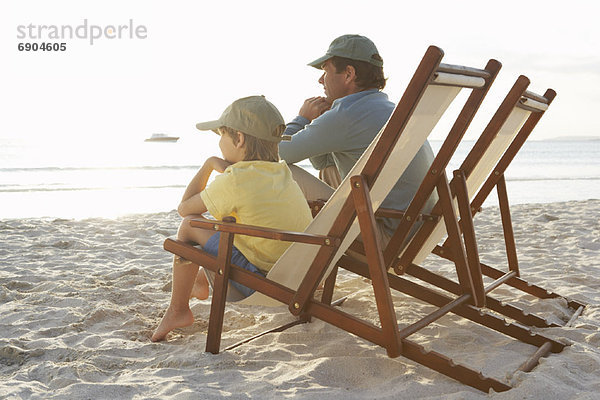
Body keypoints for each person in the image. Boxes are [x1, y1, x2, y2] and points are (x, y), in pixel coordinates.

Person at [152, 96, 313, 342]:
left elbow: (185, 208)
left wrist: (208, 166)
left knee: (190, 225)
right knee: (223, 227)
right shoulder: (282, 172)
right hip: (299, 275)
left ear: (238, 139)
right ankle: (197, 282)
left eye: (221, 134)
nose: (218, 142)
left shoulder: (237, 179)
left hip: (265, 281)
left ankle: (179, 310)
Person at [279, 34, 438, 245]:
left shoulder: (347, 114)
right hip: (418, 230)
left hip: (386, 238)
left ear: (348, 74)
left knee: (281, 172)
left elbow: (278, 154)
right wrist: (318, 126)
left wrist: (302, 118)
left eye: (325, 71)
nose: (320, 80)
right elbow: (325, 163)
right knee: (329, 171)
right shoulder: (385, 108)